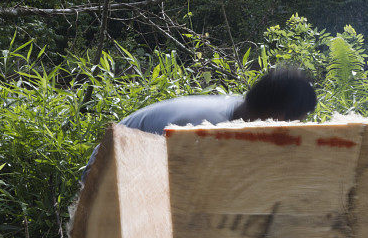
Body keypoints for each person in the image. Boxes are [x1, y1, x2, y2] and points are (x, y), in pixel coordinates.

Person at [81, 66, 317, 182]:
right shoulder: (207, 128)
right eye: (293, 123)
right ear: (278, 114)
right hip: (104, 176)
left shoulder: (240, 113)